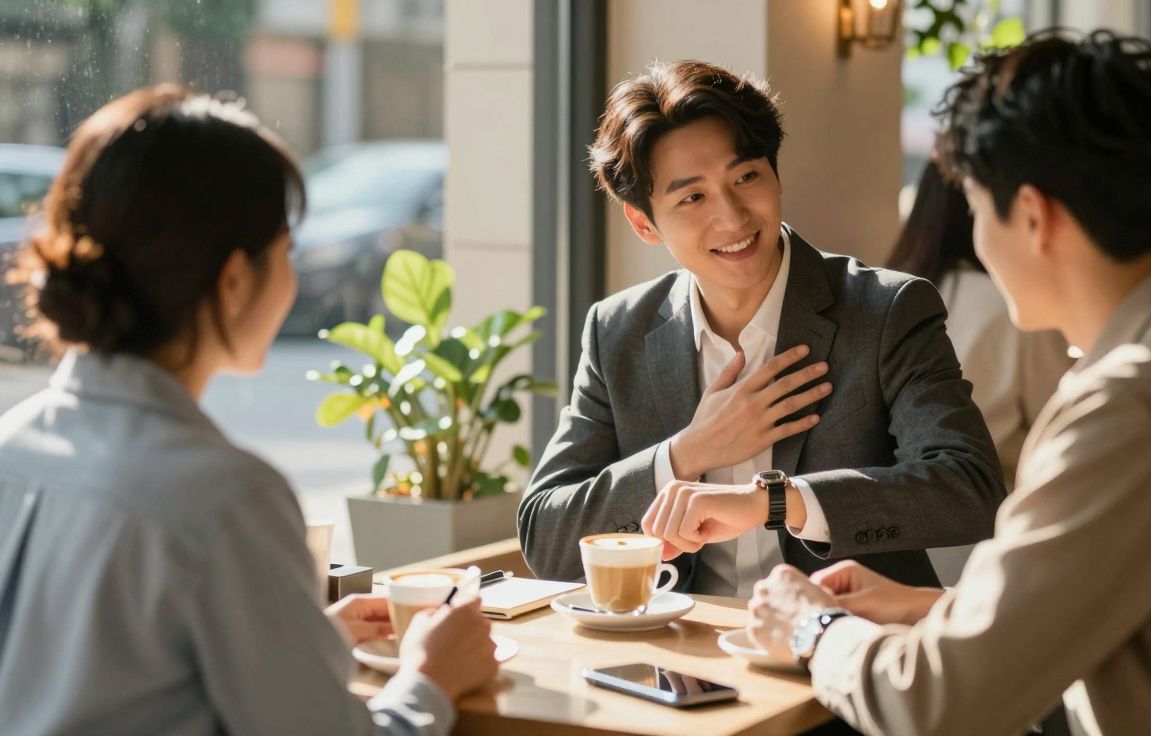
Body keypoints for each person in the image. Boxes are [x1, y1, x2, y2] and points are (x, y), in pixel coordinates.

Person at [746, 30, 1151, 735]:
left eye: (979, 207)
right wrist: (939, 609)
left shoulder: (1130, 409)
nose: (977, 235)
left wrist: (812, 627)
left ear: (1036, 217)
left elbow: (938, 705)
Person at [0, 86, 497, 735]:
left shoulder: (16, 445)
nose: (291, 279)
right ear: (235, 280)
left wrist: (299, 639)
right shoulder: (224, 496)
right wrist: (428, 681)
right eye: (286, 253)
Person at [518, 60, 1006, 598]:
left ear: (775, 175)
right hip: (681, 655)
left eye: (746, 177)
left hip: (842, 646)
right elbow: (545, 536)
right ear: (643, 223)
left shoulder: (886, 310)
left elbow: (970, 489)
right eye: (692, 197)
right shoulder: (617, 332)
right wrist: (687, 452)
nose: (732, 218)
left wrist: (776, 502)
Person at [886, 163, 1072, 586]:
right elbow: (1061, 428)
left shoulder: (888, 296)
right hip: (988, 548)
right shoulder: (1015, 308)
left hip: (891, 543)